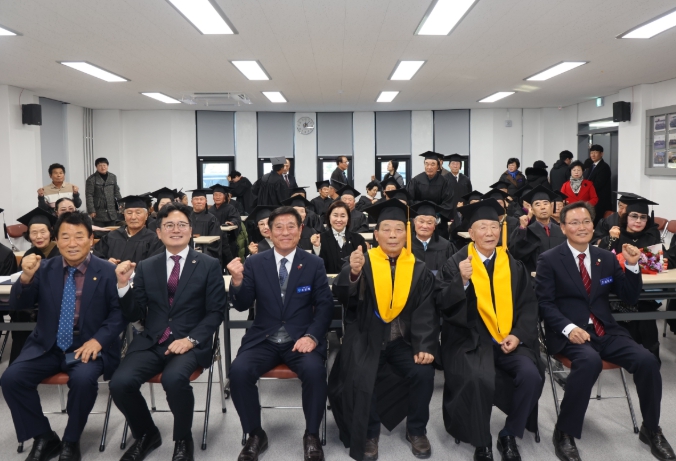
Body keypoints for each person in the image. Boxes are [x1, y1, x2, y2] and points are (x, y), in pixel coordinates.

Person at [536, 201, 674, 461]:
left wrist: (632, 266)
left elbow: (629, 297)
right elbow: (545, 304)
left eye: (586, 221)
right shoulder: (549, 260)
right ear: (562, 227)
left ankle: (652, 429)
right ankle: (564, 431)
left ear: (594, 224)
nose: (582, 227)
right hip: (570, 333)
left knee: (647, 360)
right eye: (574, 222)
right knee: (589, 362)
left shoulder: (606, 257)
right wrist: (568, 328)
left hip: (605, 331)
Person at [2, 211, 125, 461]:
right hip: (47, 345)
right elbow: (18, 304)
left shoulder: (107, 271)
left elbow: (118, 314)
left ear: (91, 239)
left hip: (87, 344)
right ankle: (44, 437)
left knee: (83, 380)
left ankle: (71, 439)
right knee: (12, 379)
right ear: (56, 240)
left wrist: (98, 341)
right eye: (65, 237)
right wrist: (26, 277)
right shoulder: (44, 268)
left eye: (79, 236)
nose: (72, 243)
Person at [110, 202, 227, 461]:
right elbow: (135, 313)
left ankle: (183, 439)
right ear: (159, 232)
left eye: (182, 225)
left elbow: (216, 312)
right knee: (119, 383)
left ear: (191, 230)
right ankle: (146, 434)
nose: (176, 229)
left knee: (173, 380)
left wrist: (191, 340)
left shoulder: (208, 264)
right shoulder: (146, 266)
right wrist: (123, 286)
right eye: (169, 225)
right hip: (152, 340)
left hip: (190, 342)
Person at [328, 199, 437, 461]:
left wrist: (423, 345)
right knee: (362, 372)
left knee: (423, 372)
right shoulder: (363, 262)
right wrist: (353, 273)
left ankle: (416, 429)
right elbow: (343, 296)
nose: (392, 235)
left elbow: (426, 311)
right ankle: (369, 432)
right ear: (376, 235)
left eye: (398, 229)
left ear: (406, 234)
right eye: (386, 229)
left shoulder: (418, 268)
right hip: (367, 338)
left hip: (402, 341)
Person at [436, 199, 543, 461]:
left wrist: (517, 335)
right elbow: (442, 304)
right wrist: (461, 281)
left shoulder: (512, 264)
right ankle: (481, 441)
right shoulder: (456, 263)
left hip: (508, 338)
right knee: (477, 377)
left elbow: (528, 305)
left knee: (531, 375)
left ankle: (509, 433)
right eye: (482, 227)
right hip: (470, 339)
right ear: (471, 234)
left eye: (494, 227)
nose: (489, 233)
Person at [226, 206, 334, 461]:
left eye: (291, 227)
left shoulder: (314, 263)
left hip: (301, 338)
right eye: (279, 227)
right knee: (238, 371)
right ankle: (255, 434)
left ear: (300, 230)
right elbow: (242, 305)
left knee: (315, 372)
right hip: (264, 338)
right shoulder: (255, 262)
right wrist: (237, 282)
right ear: (269, 231)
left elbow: (325, 306)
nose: (285, 232)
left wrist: (312, 336)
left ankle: (311, 434)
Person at [598, 197, 665, 359]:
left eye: (643, 217)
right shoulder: (616, 235)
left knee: (646, 319)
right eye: (634, 216)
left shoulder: (651, 236)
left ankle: (649, 358)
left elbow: (659, 263)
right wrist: (613, 240)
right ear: (625, 217)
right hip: (616, 293)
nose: (638, 221)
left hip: (644, 293)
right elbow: (602, 261)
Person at [508, 186, 567, 274]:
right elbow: (515, 253)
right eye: (537, 204)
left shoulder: (561, 231)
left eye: (546, 203)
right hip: (535, 279)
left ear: (551, 207)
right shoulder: (527, 231)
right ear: (532, 210)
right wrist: (522, 228)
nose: (542, 207)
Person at [93, 195, 163, 265]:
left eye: (138, 213)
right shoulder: (111, 236)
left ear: (146, 215)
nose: (133, 217)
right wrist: (106, 262)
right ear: (124, 216)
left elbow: (154, 265)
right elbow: (96, 257)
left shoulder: (154, 240)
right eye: (129, 213)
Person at [407, 152, 454, 239]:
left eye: (433, 164)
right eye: (427, 164)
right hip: (419, 221)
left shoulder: (445, 182)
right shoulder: (415, 180)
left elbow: (448, 203)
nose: (429, 167)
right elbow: (409, 200)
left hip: (438, 223)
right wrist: (422, 213)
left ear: (438, 166)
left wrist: (435, 215)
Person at [312, 200, 367, 275]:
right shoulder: (320, 239)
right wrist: (317, 247)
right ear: (329, 217)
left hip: (352, 280)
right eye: (335, 215)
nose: (339, 220)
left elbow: (364, 266)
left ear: (348, 218)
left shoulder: (358, 239)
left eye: (343, 216)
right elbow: (316, 266)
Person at [410, 201, 457, 273]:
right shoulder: (406, 244)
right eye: (421, 222)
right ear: (414, 222)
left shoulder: (446, 246)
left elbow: (453, 271)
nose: (425, 226)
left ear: (435, 225)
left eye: (429, 223)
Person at [209, 183, 241, 269]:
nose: (217, 197)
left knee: (230, 265)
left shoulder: (230, 208)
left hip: (228, 241)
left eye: (220, 195)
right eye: (215, 195)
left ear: (225, 196)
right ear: (212, 197)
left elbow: (236, 219)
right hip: (214, 242)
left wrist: (232, 222)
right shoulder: (210, 210)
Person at [185, 189, 222, 264]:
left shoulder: (212, 219)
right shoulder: (186, 218)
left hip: (205, 255)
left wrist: (201, 250)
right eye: (196, 199)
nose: (199, 202)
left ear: (206, 201)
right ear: (191, 201)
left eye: (201, 199)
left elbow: (215, 242)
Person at [85, 157, 122, 227]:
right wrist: (91, 210)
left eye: (104, 165)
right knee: (99, 231)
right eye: (100, 165)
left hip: (112, 210)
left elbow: (116, 192)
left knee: (112, 231)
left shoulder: (113, 177)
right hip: (98, 211)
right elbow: (89, 195)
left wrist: (121, 204)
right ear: (96, 167)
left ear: (107, 166)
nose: (103, 167)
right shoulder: (91, 179)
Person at [583, 145, 612, 224]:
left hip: (600, 200)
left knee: (597, 221)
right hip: (591, 198)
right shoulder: (592, 166)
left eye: (595, 152)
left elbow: (598, 184)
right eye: (591, 153)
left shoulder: (604, 167)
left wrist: (586, 190)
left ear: (601, 154)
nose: (593, 155)